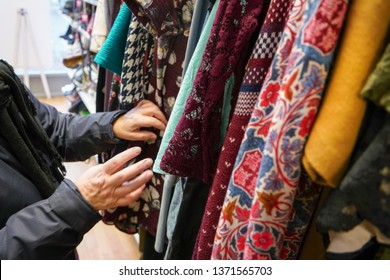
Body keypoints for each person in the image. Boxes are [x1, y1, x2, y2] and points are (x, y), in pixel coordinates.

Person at [0, 60, 167, 259]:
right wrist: (72, 207)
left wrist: (110, 126)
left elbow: (49, 128)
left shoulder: (3, 81)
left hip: (55, 244)